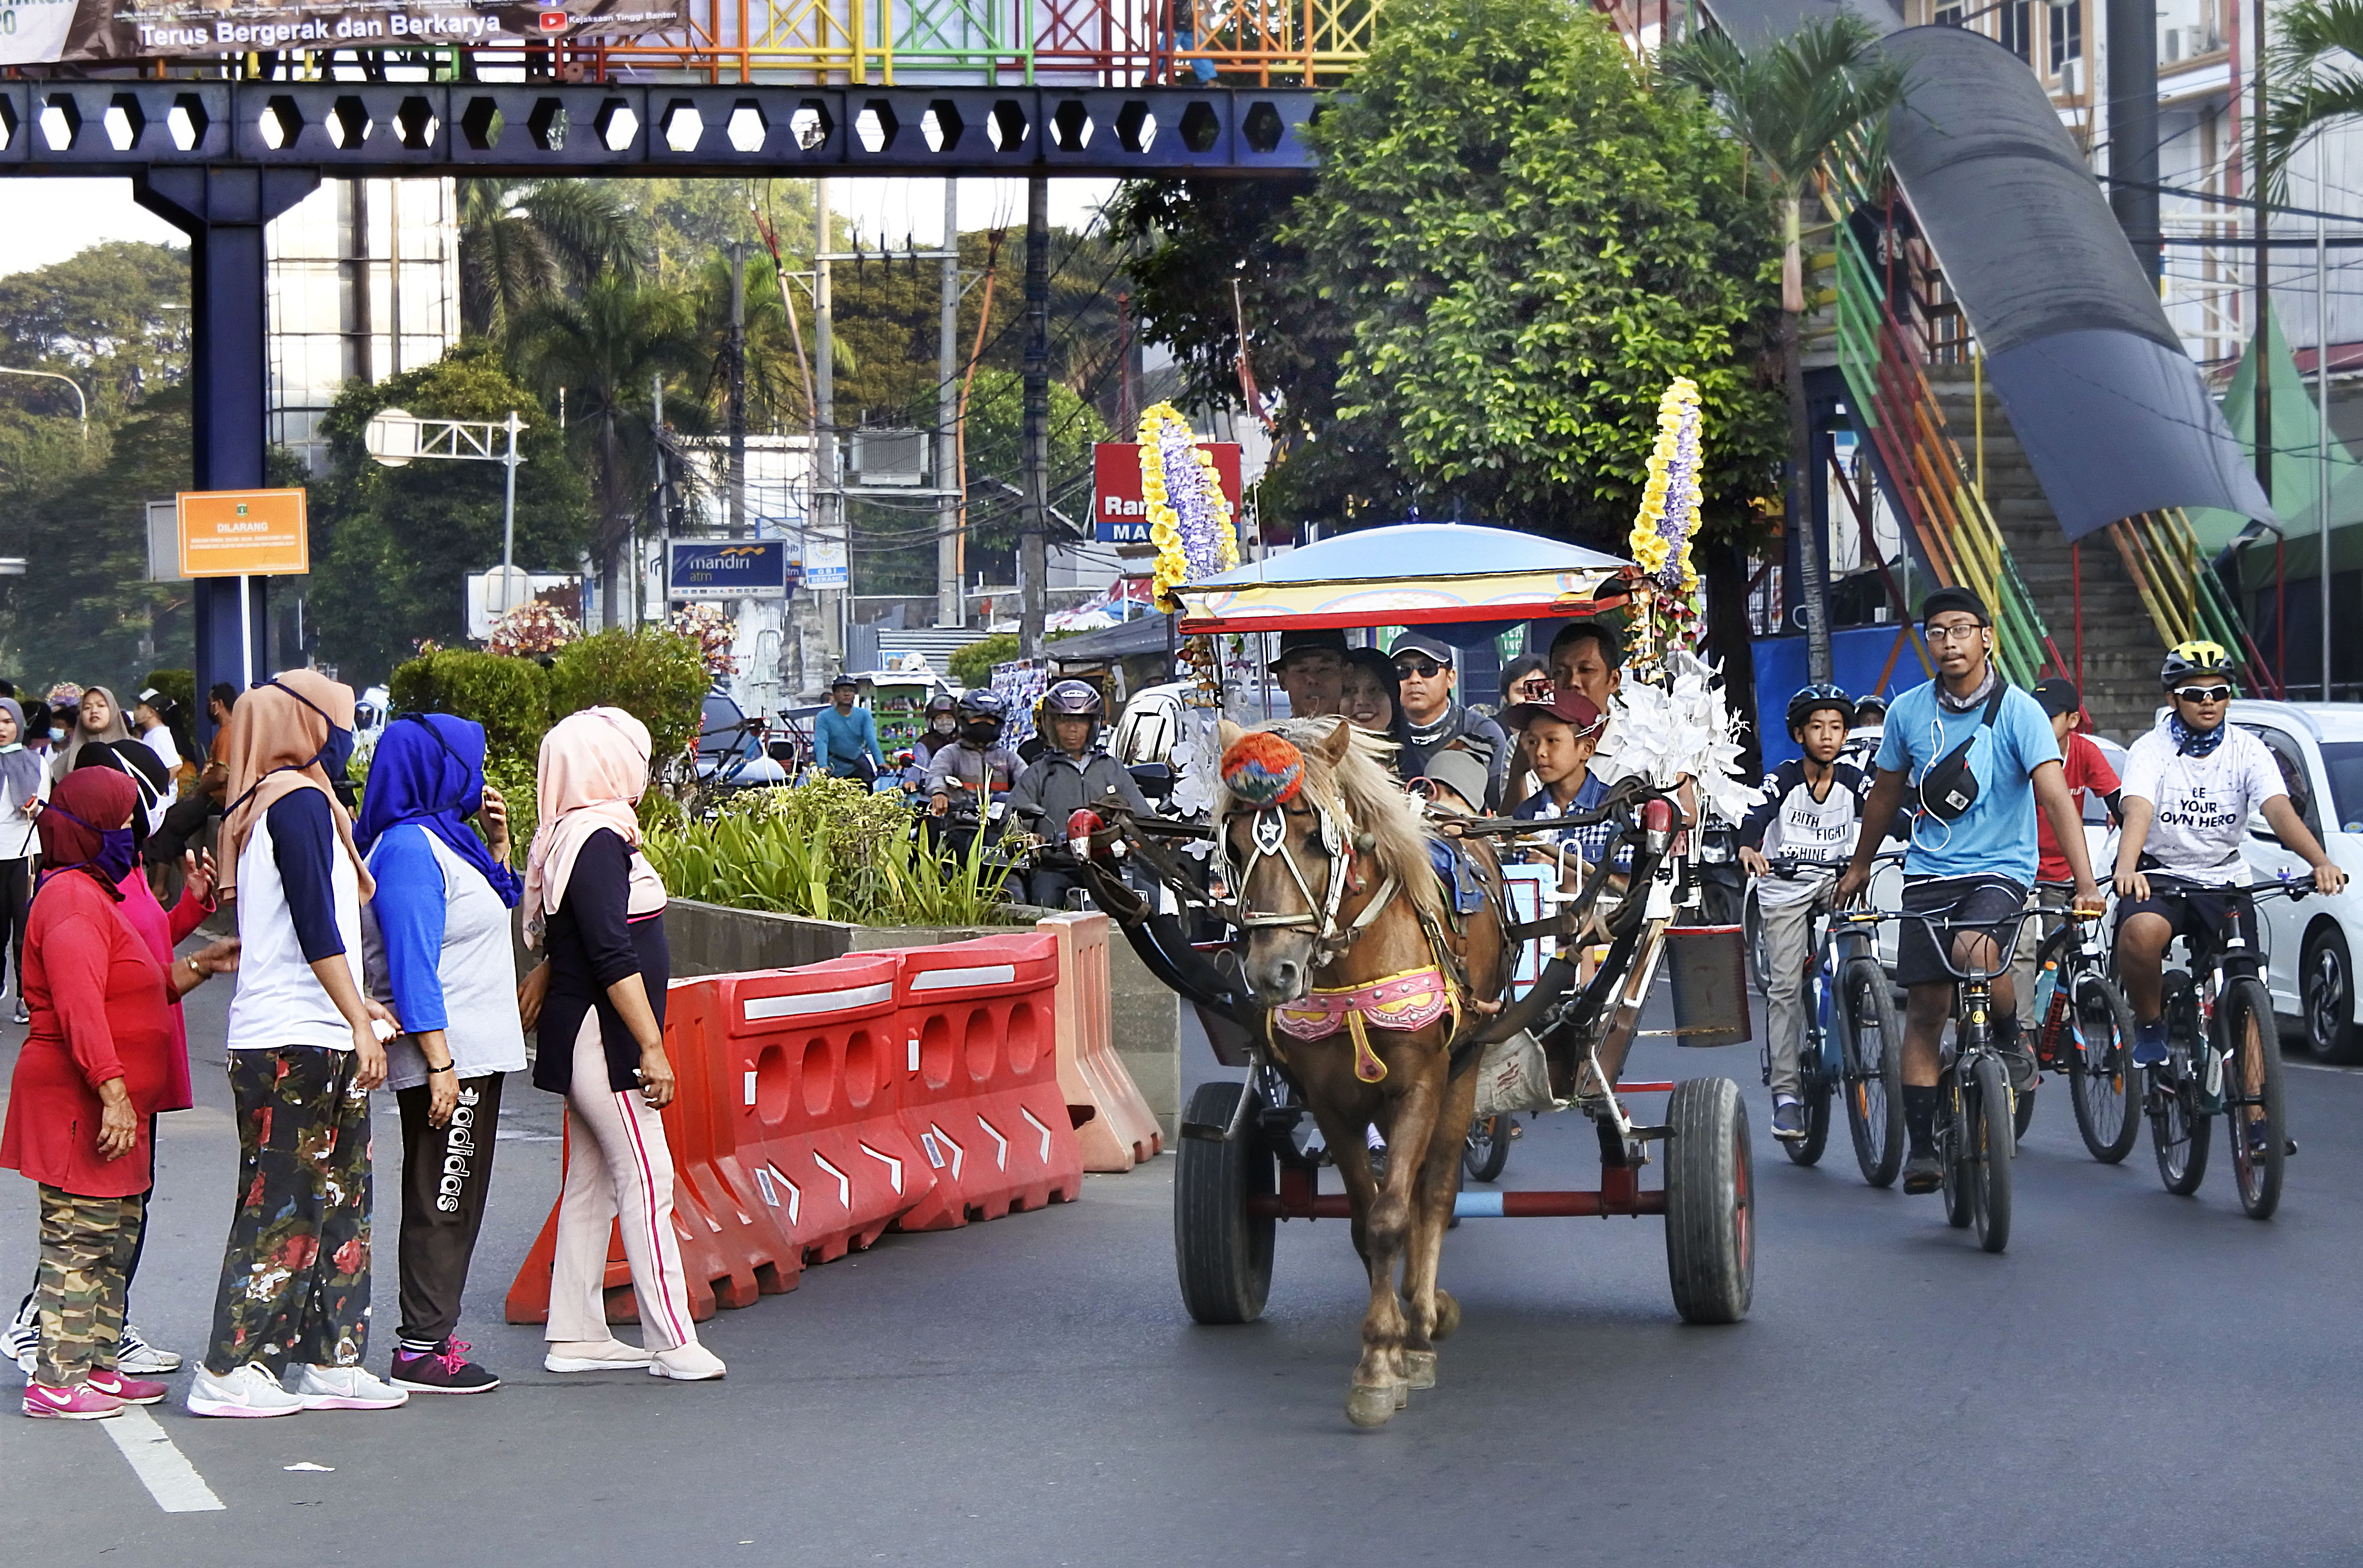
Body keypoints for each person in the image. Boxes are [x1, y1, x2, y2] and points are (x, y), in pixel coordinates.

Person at [190, 670, 409, 1419]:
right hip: (297, 1039)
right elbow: (316, 922)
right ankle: (232, 1368)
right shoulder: (299, 805)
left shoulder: (272, 805)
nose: (346, 737)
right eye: (340, 721)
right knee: (282, 1205)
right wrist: (356, 1016)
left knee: (340, 1203)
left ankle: (330, 1357)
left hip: (310, 1030)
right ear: (308, 723)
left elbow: (300, 930)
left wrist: (356, 1009)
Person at [1835, 588, 2104, 1195]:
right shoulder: (1906, 712)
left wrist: (2084, 883)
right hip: (1928, 874)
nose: (1949, 642)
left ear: (1987, 638)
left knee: (1976, 953)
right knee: (1927, 1010)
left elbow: (2056, 796)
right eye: (1936, 632)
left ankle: (2010, 1036)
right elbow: (1883, 796)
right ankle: (1924, 1148)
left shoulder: (2019, 712)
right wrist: (1858, 867)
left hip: (2000, 871)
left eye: (1961, 630)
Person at [1, 769, 236, 1419]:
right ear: (92, 829)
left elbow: (136, 982)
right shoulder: (72, 901)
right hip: (80, 1101)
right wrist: (113, 1094)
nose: (133, 834)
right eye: (123, 822)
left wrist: (200, 965)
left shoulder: (97, 892)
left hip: (112, 1100)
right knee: (79, 1236)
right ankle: (58, 1375)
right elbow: (81, 1008)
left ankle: (98, 1363)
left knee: (115, 1234)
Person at [515, 708, 725, 1382]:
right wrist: (650, 1047)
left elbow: (578, 936)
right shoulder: (598, 838)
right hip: (602, 1037)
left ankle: (575, 1332)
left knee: (593, 1182)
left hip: (585, 1031)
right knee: (646, 1174)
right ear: (607, 761)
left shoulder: (573, 835)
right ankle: (672, 1341)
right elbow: (611, 951)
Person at [359, 714, 527, 1394]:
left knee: (454, 1195)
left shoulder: (445, 840)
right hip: (448, 1055)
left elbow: (497, 906)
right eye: (470, 761)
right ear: (439, 768)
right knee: (443, 1196)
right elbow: (410, 964)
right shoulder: (406, 850)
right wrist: (439, 1063)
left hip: (469, 1055)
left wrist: (500, 844)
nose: (479, 775)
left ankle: (432, 1334)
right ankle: (421, 1348)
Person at [2111, 642, 2347, 1081]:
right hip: (2162, 872)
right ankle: (2149, 1023)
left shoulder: (2248, 750)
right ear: (2172, 699)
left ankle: (2259, 1129)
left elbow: (2278, 810)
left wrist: (2320, 860)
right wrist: (2127, 867)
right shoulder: (2151, 749)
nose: (2209, 702)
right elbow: (2138, 808)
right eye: (2196, 694)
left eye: (2219, 692)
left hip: (2224, 877)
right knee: (2140, 934)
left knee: (2247, 995)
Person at [1737, 685, 1873, 1141]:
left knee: (1862, 933)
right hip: (1786, 885)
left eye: (1836, 727)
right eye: (1817, 727)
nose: (1828, 736)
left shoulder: (1854, 777)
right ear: (1799, 733)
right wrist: (1748, 845)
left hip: (1836, 881)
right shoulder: (1784, 778)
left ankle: (1859, 990)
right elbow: (1756, 813)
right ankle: (1787, 1096)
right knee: (1785, 988)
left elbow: (1886, 808)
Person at [2009, 678, 2124, 1034]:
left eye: (2050, 717)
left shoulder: (2084, 752)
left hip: (2062, 872)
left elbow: (2118, 803)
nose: (2040, 724)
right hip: (2020, 870)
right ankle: (2023, 1032)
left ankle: (2057, 1025)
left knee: (2066, 951)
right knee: (2022, 952)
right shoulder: (2016, 750)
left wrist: (2137, 850)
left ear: (2073, 720)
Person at [1005, 681, 1152, 909]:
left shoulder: (1111, 768)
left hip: (1110, 866)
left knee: (1147, 907)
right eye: (1065, 721)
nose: (1072, 729)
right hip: (1055, 867)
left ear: (1092, 724)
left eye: (1080, 721)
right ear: (1052, 724)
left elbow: (1144, 817)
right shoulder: (1039, 771)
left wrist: (1167, 833)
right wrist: (1026, 838)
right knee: (1043, 911)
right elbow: (1012, 820)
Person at [1392, 632, 1507, 811]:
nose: (1414, 679)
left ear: (1451, 678)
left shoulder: (1482, 732)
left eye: (1427, 669)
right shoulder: (1383, 735)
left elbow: (1502, 808)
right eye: (1402, 671)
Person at [0, 697, 48, 1026]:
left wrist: (34, 807)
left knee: (24, 931)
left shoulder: (36, 762)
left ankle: (25, 996)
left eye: (7, 721)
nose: (1, 728)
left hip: (24, 851)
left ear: (19, 724)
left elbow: (43, 803)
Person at [926, 689, 1023, 830]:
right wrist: (939, 792)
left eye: (990, 719)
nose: (984, 723)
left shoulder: (1008, 757)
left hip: (1002, 827)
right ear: (964, 720)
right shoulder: (951, 753)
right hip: (961, 826)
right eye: (977, 718)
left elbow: (1028, 782)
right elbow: (937, 774)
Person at [1548, 621, 1626, 784]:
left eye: (1586, 670)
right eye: (1560, 672)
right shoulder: (1530, 743)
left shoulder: (1644, 744)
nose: (1572, 682)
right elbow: (1514, 810)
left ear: (1614, 680)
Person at [49, 686, 131, 785]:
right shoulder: (65, 761)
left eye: (101, 706)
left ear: (113, 710)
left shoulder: (137, 751)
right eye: (87, 707)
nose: (94, 711)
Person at [813, 675, 887, 783]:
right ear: (835, 694)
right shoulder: (823, 717)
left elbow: (871, 740)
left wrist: (880, 762)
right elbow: (821, 742)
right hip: (833, 766)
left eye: (850, 691)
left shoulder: (864, 715)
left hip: (856, 764)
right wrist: (823, 765)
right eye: (842, 691)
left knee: (867, 792)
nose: (847, 694)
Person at [1268, 629, 1348, 719]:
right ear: (1282, 680)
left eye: (1324, 669)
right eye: (1302, 670)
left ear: (1346, 675)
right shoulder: (1273, 733)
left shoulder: (1358, 733)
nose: (1312, 679)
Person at [130, 689, 188, 785]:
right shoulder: (152, 734)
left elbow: (175, 766)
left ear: (151, 713)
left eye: (139, 707)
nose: (135, 711)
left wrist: (161, 790)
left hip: (162, 799)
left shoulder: (159, 735)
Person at [913, 693, 962, 767]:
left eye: (949, 717)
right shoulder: (925, 743)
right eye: (939, 718)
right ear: (932, 722)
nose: (945, 722)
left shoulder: (963, 741)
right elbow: (916, 767)